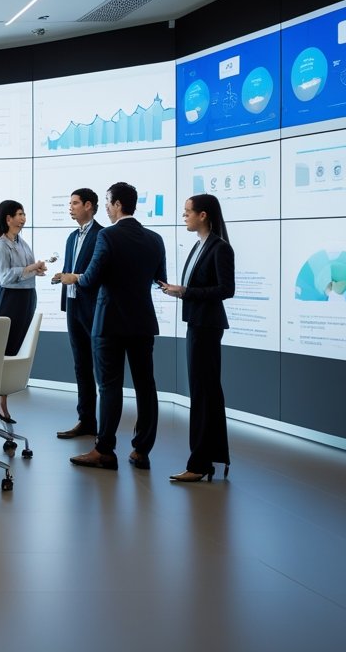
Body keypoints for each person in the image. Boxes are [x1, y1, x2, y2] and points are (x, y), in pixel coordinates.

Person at [59, 181, 166, 472]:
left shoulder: (107, 235)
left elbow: (91, 278)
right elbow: (159, 277)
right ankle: (141, 451)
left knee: (109, 386)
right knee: (146, 386)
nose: (105, 208)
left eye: (107, 202)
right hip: (143, 322)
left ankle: (105, 450)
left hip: (110, 322)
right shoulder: (155, 239)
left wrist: (73, 278)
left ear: (118, 204)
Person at [159, 194, 235, 482]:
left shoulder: (220, 248)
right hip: (197, 323)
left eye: (188, 212)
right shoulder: (198, 245)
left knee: (204, 394)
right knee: (205, 393)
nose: (184, 216)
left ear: (203, 215)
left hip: (207, 326)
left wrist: (185, 292)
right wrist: (179, 291)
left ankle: (200, 463)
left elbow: (226, 289)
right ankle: (210, 458)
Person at [53, 189, 103, 439]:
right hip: (73, 305)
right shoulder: (72, 237)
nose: (70, 207)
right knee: (81, 365)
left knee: (101, 367)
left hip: (93, 307)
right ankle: (86, 420)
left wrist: (74, 278)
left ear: (88, 205)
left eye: (74, 203)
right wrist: (61, 277)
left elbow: (99, 273)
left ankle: (105, 426)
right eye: (69, 203)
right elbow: (70, 269)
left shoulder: (102, 235)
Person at [0, 200, 47, 423]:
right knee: (6, 350)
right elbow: (5, 277)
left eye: (24, 214)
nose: (23, 218)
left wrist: (37, 269)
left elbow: (26, 271)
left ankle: (1, 397)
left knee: (17, 350)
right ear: (8, 218)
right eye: (20, 214)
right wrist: (29, 269)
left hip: (27, 297)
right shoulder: (0, 245)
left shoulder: (22, 243)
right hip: (10, 300)